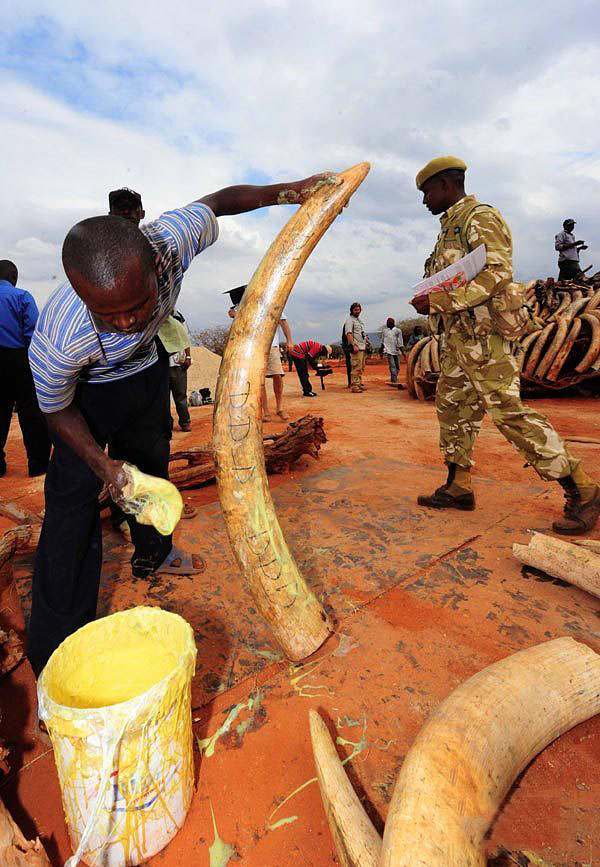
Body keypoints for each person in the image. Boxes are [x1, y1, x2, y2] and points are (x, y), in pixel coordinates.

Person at [27, 171, 330, 676]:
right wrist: (105, 468)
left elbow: (219, 200)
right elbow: (56, 410)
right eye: (109, 315)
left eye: (138, 305)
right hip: (87, 395)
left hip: (146, 374)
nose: (125, 321)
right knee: (71, 506)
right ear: (82, 298)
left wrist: (289, 192)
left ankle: (156, 552)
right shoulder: (62, 334)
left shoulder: (171, 240)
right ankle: (56, 647)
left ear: (153, 264)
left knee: (152, 466)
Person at [411, 155, 599, 535]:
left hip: (485, 339)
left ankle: (582, 487)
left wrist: (441, 301)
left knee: (507, 411)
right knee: (454, 408)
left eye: (427, 191)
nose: (424, 200)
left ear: (446, 185)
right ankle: (458, 486)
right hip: (458, 339)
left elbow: (499, 274)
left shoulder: (480, 217)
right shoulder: (451, 227)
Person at [0, 260, 50, 477]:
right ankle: (38, 465)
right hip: (19, 359)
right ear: (13, 277)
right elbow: (33, 334)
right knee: (32, 413)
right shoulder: (22, 297)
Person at [226, 285, 293, 422]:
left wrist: (289, 341)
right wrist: (234, 316)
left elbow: (283, 323)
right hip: (254, 349)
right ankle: (265, 411)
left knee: (277, 375)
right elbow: (241, 327)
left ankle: (280, 408)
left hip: (271, 346)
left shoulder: (271, 303)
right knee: (259, 381)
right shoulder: (241, 308)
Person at [159, 310, 193, 432]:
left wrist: (188, 357)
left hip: (178, 363)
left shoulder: (178, 317)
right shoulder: (156, 318)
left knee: (180, 395)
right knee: (163, 397)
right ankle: (166, 425)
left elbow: (186, 339)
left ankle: (185, 422)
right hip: (160, 364)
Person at [344, 302, 369, 393]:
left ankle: (358, 384)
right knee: (356, 367)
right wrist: (353, 345)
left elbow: (361, 334)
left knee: (361, 367)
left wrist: (367, 341)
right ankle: (354, 386)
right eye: (355, 310)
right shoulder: (350, 321)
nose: (357, 311)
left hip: (362, 347)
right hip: (356, 348)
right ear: (352, 311)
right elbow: (349, 334)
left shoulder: (359, 321)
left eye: (358, 310)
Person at [381, 317, 404, 382]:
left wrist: (403, 352)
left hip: (396, 350)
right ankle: (394, 380)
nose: (387, 324)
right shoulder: (385, 331)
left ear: (392, 323)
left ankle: (393, 377)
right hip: (388, 351)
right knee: (392, 365)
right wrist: (381, 351)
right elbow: (382, 341)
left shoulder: (398, 331)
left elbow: (400, 341)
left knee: (397, 367)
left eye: (388, 322)